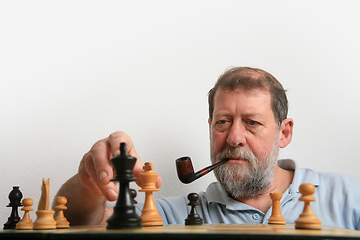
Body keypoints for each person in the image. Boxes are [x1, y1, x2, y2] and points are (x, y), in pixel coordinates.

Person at [54, 67, 360, 229]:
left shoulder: (348, 197)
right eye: (223, 122)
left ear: (284, 133)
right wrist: (92, 183)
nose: (233, 138)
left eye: (252, 122)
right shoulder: (177, 215)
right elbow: (77, 222)